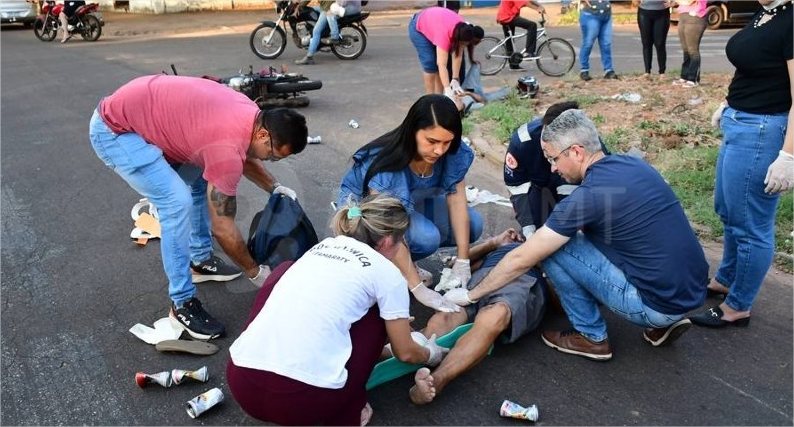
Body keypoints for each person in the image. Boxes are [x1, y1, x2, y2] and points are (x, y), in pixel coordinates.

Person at [445, 109, 709, 361]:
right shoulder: (632, 165)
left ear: (576, 152)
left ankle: (592, 336)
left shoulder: (588, 196)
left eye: (553, 159)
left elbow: (523, 257)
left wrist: (471, 296)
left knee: (551, 246)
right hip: (691, 289)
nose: (552, 169)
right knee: (589, 237)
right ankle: (661, 321)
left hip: (656, 305)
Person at [89, 75, 307, 340]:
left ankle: (200, 259)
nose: (270, 160)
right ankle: (181, 303)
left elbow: (246, 153)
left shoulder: (251, 116)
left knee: (195, 181)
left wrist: (274, 187)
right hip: (116, 131)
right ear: (263, 134)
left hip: (140, 110)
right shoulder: (227, 145)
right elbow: (223, 227)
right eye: (273, 155)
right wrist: (255, 271)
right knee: (176, 204)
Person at [227, 194, 449, 426]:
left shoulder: (323, 247)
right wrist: (430, 354)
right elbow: (405, 353)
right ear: (386, 242)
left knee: (284, 272)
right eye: (401, 241)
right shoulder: (387, 272)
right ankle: (349, 413)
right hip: (303, 403)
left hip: (241, 382)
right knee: (377, 318)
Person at [690, 0, 793, 328]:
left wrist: (789, 155)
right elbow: (755, 66)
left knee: (751, 224)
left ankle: (738, 306)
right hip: (741, 121)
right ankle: (726, 279)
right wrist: (728, 101)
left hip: (762, 129)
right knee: (727, 210)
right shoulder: (766, 12)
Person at [338, 94, 482, 313]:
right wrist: (417, 289)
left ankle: (404, 265)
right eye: (432, 141)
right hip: (366, 210)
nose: (439, 151)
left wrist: (463, 261)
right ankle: (395, 268)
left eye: (446, 142)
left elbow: (457, 200)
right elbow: (389, 229)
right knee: (425, 237)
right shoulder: (387, 169)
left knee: (473, 223)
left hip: (412, 199)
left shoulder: (452, 152)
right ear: (412, 131)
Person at [407, 229, 548, 405]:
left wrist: (546, 263)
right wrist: (494, 243)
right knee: (444, 317)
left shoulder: (550, 243)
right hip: (483, 278)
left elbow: (561, 296)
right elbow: (457, 263)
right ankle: (397, 349)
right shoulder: (510, 241)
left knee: (495, 315)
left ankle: (437, 380)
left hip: (522, 280)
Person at [504, 101, 586, 239]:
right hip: (539, 188)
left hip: (574, 188)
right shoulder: (522, 142)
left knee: (570, 234)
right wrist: (528, 231)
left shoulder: (589, 144)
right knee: (535, 231)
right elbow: (516, 187)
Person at [408, 6, 484, 98]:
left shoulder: (464, 29)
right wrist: (447, 88)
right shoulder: (444, 36)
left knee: (438, 66)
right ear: (457, 39)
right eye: (462, 44)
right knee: (430, 63)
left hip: (436, 23)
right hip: (418, 28)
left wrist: (455, 79)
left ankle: (439, 97)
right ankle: (429, 98)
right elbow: (442, 65)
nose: (464, 46)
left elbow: (457, 56)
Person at [295, 0, 362, 65]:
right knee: (311, 9)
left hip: (327, 9)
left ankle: (309, 57)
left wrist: (299, 6)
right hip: (325, 7)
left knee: (316, 31)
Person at [496, 0, 546, 71]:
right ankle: (529, 52)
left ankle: (514, 65)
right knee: (532, 25)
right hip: (508, 16)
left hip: (504, 16)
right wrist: (538, 9)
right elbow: (526, 2)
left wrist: (540, 5)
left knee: (510, 41)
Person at [578, 0, 619, 81]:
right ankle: (584, 70)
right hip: (590, 14)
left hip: (606, 14)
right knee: (588, 42)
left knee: (606, 43)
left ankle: (608, 70)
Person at [672, 0, 707, 87]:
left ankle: (693, 79)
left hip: (695, 17)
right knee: (686, 49)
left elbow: (688, 2)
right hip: (683, 17)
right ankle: (684, 76)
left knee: (693, 50)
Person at [633, 0, 671, 79]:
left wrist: (673, 3)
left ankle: (662, 72)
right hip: (644, 12)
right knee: (646, 43)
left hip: (662, 12)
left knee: (660, 43)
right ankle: (647, 72)